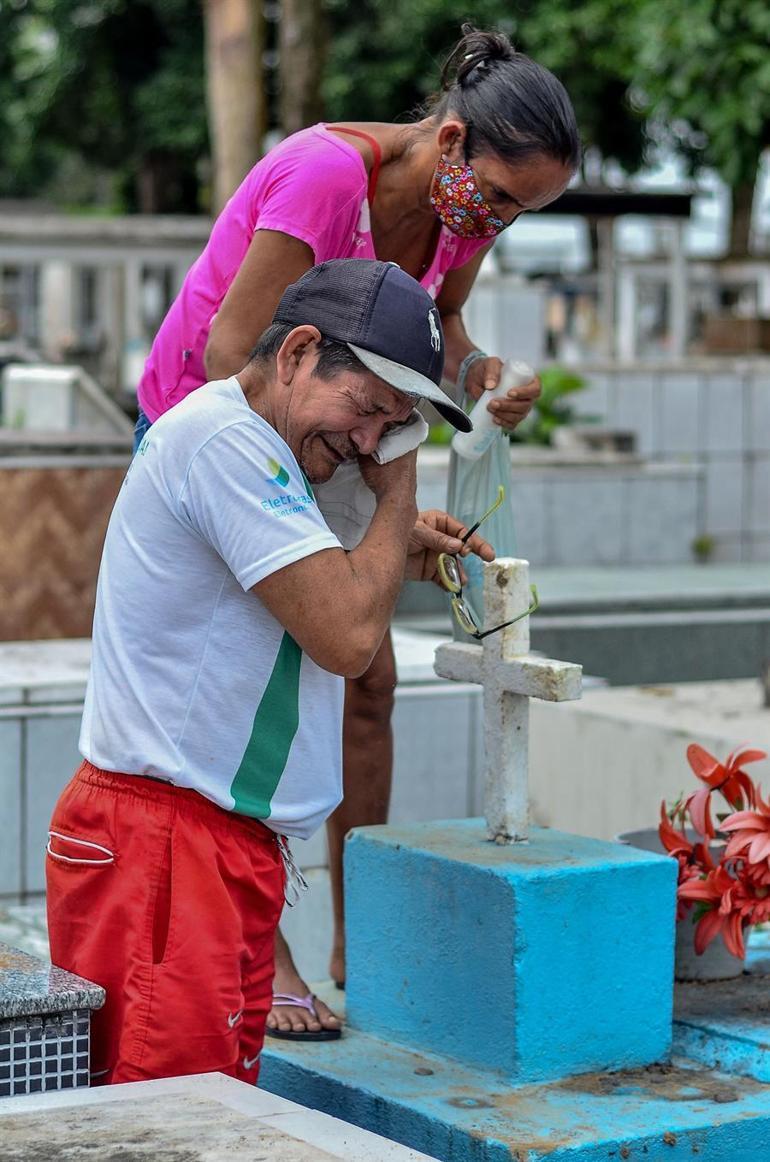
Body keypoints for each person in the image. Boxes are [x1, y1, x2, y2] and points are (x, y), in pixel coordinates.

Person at [134, 23, 580, 1037]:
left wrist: (483, 379)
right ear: (454, 137)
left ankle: (351, 930)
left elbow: (443, 332)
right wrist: (359, 499)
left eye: (522, 213)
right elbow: (232, 356)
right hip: (212, 422)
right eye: (502, 199)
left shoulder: (460, 212)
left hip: (330, 432)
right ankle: (267, 938)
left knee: (366, 675)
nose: (499, 223)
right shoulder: (322, 178)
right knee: (258, 668)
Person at [45, 259, 496, 1085]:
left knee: (216, 1113)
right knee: (167, 1131)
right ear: (295, 352)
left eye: (394, 423)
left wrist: (392, 550)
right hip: (169, 846)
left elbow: (328, 587)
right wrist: (399, 481)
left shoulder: (274, 452)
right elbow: (348, 639)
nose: (370, 440)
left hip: (215, 846)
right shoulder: (225, 442)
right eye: (368, 411)